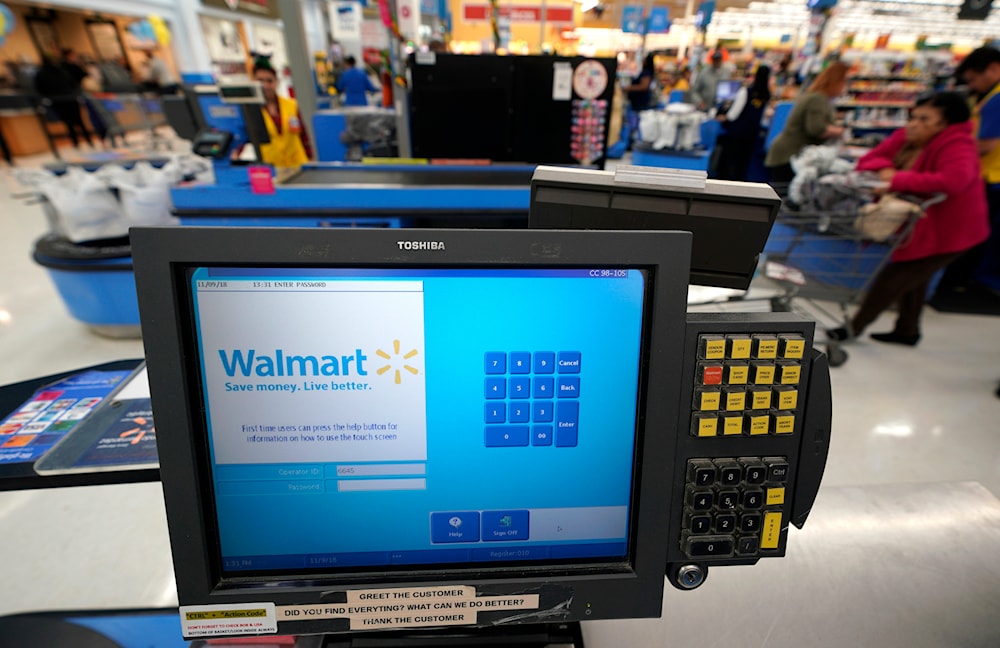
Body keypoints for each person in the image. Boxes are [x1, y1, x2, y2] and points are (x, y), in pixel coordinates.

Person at [827, 92, 990, 347]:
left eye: (925, 119)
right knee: (915, 277)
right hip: (923, 223)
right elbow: (868, 160)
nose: (914, 124)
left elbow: (954, 181)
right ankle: (907, 331)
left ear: (945, 123)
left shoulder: (958, 143)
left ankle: (852, 328)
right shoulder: (909, 136)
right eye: (914, 117)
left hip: (952, 229)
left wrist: (896, 180)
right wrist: (885, 169)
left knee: (897, 276)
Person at [937, 46, 1000, 294]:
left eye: (974, 78)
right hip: (989, 175)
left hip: (989, 177)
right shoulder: (989, 96)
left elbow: (985, 145)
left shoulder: (997, 99)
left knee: (973, 233)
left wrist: (946, 154)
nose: (972, 85)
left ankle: (964, 280)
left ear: (994, 69)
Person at [764, 60, 848, 184]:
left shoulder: (818, 97)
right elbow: (816, 129)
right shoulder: (818, 99)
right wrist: (839, 131)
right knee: (785, 195)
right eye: (844, 81)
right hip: (789, 156)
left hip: (789, 155)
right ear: (836, 81)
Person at [715, 65, 772, 181]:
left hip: (736, 132)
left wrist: (723, 117)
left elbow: (734, 113)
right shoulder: (766, 95)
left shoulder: (745, 91)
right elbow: (763, 115)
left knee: (727, 162)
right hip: (751, 135)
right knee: (742, 164)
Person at [252, 60, 311, 168]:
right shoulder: (250, 111)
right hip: (271, 170)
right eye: (260, 81)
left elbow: (303, 136)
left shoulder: (291, 105)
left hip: (298, 166)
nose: (265, 85)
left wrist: (310, 160)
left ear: (276, 82)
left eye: (269, 81)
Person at [33, 51, 94, 149]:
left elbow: (39, 88)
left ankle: (76, 143)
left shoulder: (41, 73)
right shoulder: (62, 70)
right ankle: (89, 141)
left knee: (68, 123)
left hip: (57, 100)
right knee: (79, 121)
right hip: (70, 98)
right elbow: (73, 82)